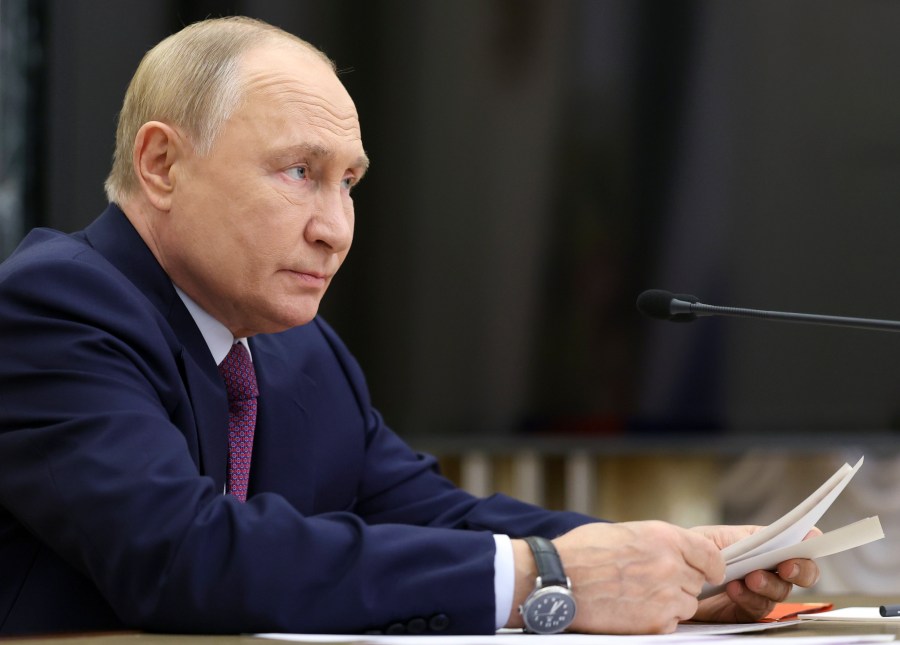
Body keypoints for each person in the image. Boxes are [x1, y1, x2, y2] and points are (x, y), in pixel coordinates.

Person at [0, 16, 818, 636]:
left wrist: (666, 559)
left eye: (347, 183)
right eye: (300, 173)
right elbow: (183, 554)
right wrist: (554, 574)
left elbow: (429, 514)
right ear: (162, 164)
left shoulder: (300, 349)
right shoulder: (51, 307)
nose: (336, 228)